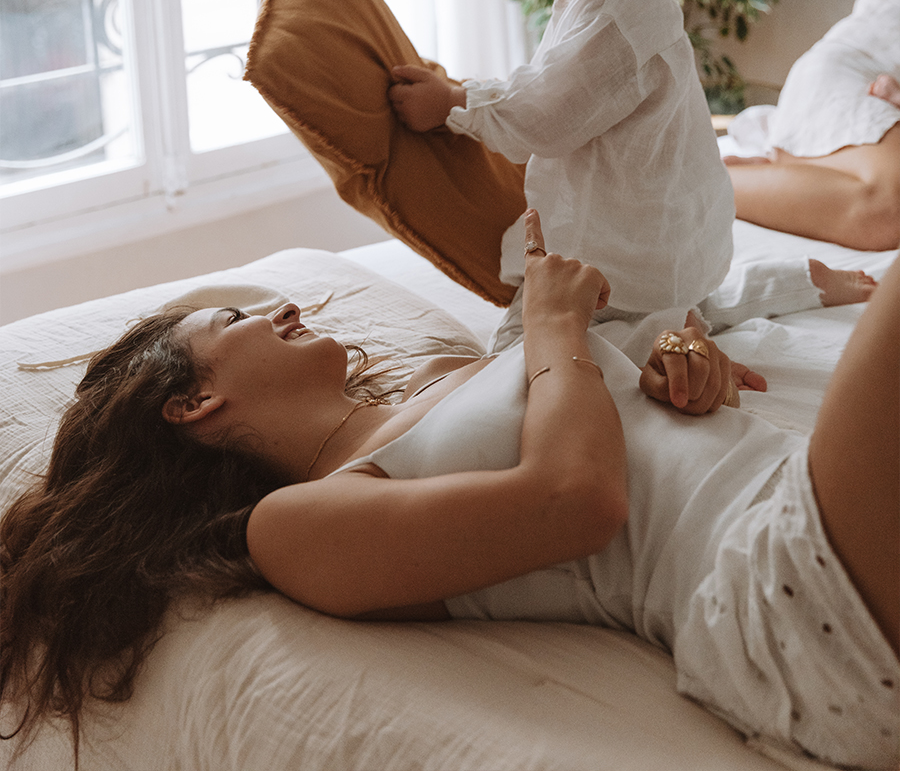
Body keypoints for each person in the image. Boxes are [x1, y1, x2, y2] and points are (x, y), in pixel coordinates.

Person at [1, 210, 896, 770]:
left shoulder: (444, 383)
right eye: (233, 320)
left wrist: (679, 364)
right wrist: (552, 322)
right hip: (780, 588)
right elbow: (577, 500)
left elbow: (602, 418)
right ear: (192, 401)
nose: (279, 309)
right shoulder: (296, 525)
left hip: (796, 492)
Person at [388, 0, 875, 349]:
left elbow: (542, 117)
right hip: (660, 244)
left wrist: (454, 103)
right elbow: (549, 87)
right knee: (674, 308)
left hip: (609, 267)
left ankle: (725, 307)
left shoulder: (617, 20)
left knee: (523, 362)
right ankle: (785, 285)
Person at [724, 0, 900, 251]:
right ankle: (699, 183)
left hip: (881, 86)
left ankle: (793, 164)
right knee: (889, 209)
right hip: (853, 71)